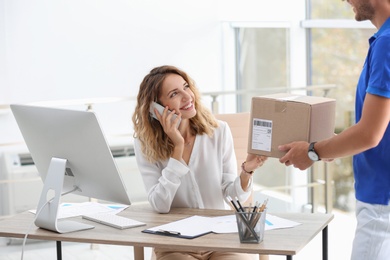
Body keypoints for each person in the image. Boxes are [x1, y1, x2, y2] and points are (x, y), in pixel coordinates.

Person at [278, 1, 390, 259]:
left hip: (381, 200)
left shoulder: (387, 43)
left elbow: (370, 134)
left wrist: (312, 151)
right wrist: (332, 147)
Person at [132, 65, 267, 260]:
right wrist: (177, 148)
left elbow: (233, 195)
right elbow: (159, 204)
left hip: (220, 238)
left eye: (186, 87)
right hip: (175, 242)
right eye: (174, 94)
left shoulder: (219, 131)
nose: (188, 97)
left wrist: (247, 171)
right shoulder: (145, 143)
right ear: (156, 108)